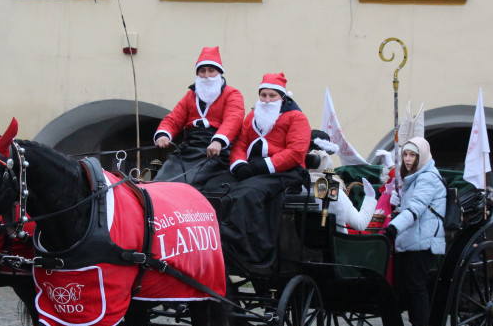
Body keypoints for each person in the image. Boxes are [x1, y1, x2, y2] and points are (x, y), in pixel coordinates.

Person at [204, 73, 311, 268]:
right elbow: (241, 144)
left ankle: (246, 246)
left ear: (283, 97)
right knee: (213, 187)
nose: (267, 100)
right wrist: (239, 165)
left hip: (286, 172)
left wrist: (265, 165)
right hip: (254, 169)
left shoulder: (297, 118)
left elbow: (296, 153)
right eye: (264, 95)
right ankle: (213, 239)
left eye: (272, 96)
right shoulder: (253, 116)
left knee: (246, 194)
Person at [384, 137, 445, 326]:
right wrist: (396, 205)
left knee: (416, 286)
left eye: (412, 155)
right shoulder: (411, 178)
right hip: (409, 239)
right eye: (406, 155)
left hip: (423, 241)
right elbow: (407, 207)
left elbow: (416, 208)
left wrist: (393, 227)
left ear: (422, 156)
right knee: (406, 286)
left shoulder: (428, 178)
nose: (408, 160)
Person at [153, 47, 245, 188]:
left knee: (186, 185)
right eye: (202, 71)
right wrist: (164, 134)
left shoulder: (232, 94)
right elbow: (173, 119)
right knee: (159, 182)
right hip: (189, 148)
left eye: (211, 70)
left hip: (216, 152)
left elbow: (233, 120)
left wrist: (218, 141)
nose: (206, 75)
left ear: (219, 72)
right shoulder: (190, 95)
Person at [305, 132, 376, 233]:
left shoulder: (297, 187)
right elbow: (360, 223)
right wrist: (370, 196)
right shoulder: (332, 191)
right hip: (334, 246)